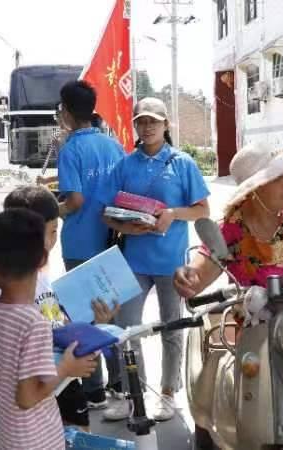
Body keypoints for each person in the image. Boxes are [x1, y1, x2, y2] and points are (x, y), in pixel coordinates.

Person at [98, 97, 211, 422]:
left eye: (153, 121)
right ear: (135, 126)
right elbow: (105, 213)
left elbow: (203, 210)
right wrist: (126, 228)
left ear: (166, 125)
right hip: (134, 261)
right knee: (125, 330)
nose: (146, 127)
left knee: (171, 328)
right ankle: (132, 394)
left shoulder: (182, 163)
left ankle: (167, 393)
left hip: (172, 263)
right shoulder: (125, 164)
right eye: (141, 122)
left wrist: (173, 214)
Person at [173, 141, 283, 326]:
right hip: (258, 332)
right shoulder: (230, 228)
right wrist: (187, 277)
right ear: (254, 190)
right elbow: (199, 274)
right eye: (276, 177)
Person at [0, 185, 115, 432]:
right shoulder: (9, 291)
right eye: (52, 231)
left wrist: (93, 323)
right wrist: (64, 367)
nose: (54, 240)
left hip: (63, 379)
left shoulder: (39, 276)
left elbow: (57, 321)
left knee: (77, 437)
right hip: (42, 384)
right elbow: (18, 378)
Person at [0, 208, 95, 450]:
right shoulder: (33, 323)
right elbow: (27, 397)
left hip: (7, 432)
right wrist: (66, 369)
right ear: (42, 259)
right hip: (37, 439)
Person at [39, 81, 125, 408]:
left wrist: (51, 211)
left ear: (66, 111)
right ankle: (121, 384)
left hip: (79, 244)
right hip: (111, 238)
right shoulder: (112, 145)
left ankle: (95, 391)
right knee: (111, 313)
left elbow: (74, 200)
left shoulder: (70, 148)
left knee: (85, 318)